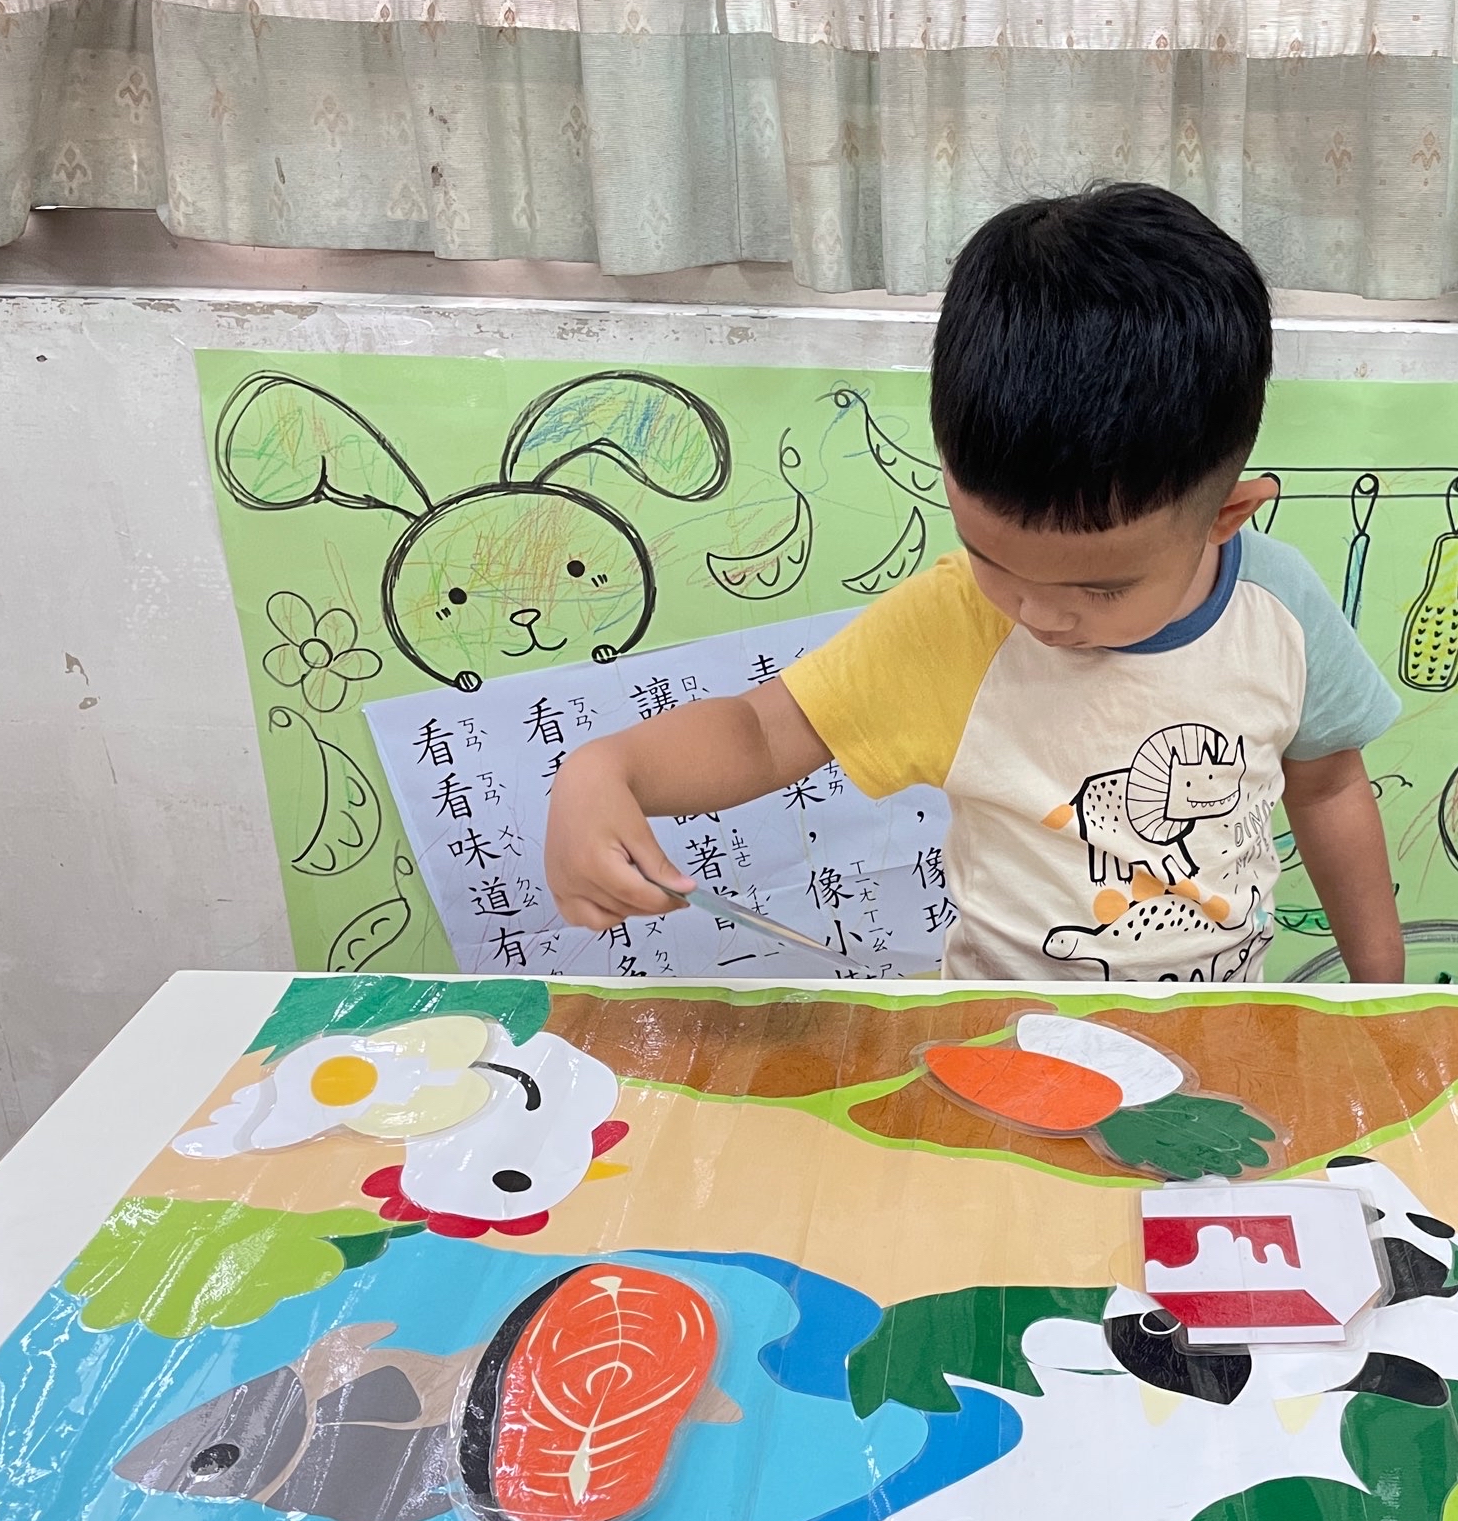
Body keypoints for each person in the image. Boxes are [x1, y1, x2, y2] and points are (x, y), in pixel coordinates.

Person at [546, 184, 1405, 983]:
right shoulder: (951, 623)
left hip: (1219, 1031)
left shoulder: (1279, 609)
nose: (1038, 612)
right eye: (991, 557)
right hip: (1001, 1039)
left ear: (1227, 515)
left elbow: (1328, 786)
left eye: (1101, 589)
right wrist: (606, 768)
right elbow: (763, 732)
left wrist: (1382, 996)